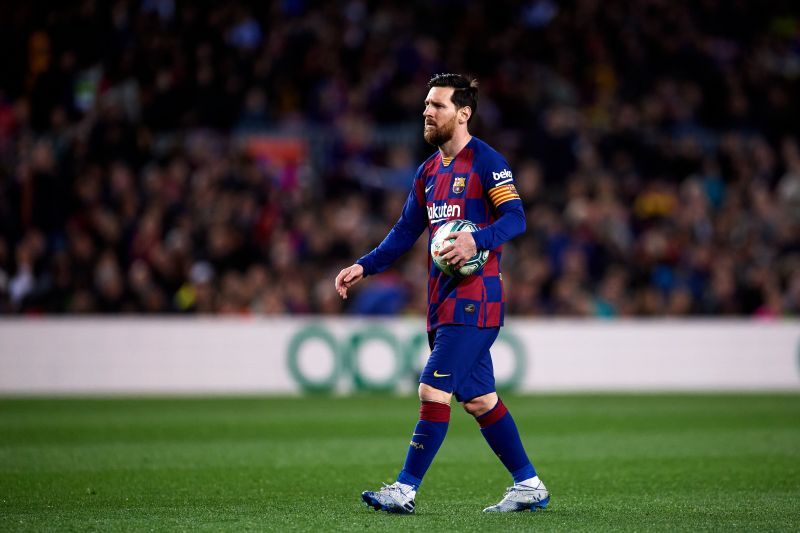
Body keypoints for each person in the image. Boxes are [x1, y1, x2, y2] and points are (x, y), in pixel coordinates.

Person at [334, 73, 548, 514]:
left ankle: (404, 489)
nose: (427, 112)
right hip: (442, 301)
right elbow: (404, 233)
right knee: (479, 400)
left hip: (477, 299)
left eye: (438, 105)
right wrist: (363, 265)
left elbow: (517, 218)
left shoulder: (487, 161)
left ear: (463, 113)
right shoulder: (428, 172)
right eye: (426, 105)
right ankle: (529, 484)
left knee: (432, 390)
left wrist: (478, 240)